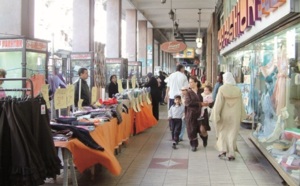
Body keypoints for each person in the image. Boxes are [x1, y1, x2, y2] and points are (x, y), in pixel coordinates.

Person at [210, 72, 246, 161]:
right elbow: (241, 104)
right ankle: (231, 153)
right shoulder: (237, 90)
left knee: (223, 132)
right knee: (232, 133)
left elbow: (218, 103)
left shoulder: (222, 89)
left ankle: (223, 150)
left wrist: (215, 114)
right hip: (235, 115)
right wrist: (242, 115)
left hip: (224, 115)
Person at [185, 76, 209, 152]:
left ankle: (205, 138)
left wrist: (207, 103)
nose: (190, 84)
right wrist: (200, 104)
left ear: (196, 83)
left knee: (202, 129)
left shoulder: (202, 91)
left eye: (191, 82)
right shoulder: (188, 92)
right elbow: (188, 103)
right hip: (192, 114)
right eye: (189, 82)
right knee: (192, 130)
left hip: (201, 113)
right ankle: (194, 145)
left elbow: (208, 98)